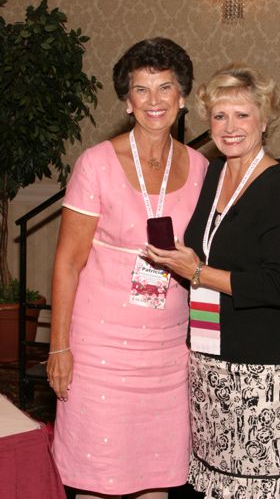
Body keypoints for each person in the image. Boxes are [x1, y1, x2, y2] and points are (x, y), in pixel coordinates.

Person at [46, 37, 208, 499]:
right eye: (141, 89)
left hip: (168, 358)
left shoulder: (200, 168)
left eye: (165, 88)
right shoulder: (95, 164)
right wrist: (59, 348)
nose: (154, 100)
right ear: (126, 100)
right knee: (98, 482)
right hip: (100, 354)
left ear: (183, 97)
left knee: (157, 483)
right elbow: (68, 262)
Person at [145, 64, 280, 498]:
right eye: (219, 116)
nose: (230, 127)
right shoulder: (214, 173)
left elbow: (279, 287)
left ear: (264, 118)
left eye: (242, 115)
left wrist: (196, 272)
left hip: (260, 368)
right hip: (208, 357)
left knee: (256, 487)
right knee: (214, 484)